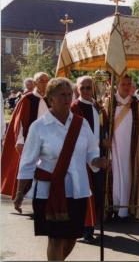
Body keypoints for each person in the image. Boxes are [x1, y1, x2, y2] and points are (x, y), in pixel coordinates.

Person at [12, 77, 109, 261]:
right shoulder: (39, 127)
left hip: (77, 190)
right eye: (61, 95)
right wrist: (19, 192)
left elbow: (91, 153)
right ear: (50, 99)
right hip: (49, 193)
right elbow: (27, 163)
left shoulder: (81, 124)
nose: (67, 98)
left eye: (69, 94)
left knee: (72, 237)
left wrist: (98, 161)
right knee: (55, 240)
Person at [70, 76, 108, 243]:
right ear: (77, 89)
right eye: (83, 87)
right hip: (82, 157)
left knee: (97, 191)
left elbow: (104, 127)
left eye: (88, 87)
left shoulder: (97, 106)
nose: (86, 90)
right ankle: (86, 229)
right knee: (85, 194)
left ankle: (91, 226)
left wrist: (106, 138)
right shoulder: (74, 107)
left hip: (98, 155)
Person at [1, 72, 50, 199]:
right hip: (30, 140)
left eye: (46, 80)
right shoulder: (27, 99)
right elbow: (20, 122)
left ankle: (40, 197)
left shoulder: (50, 99)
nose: (44, 83)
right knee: (27, 168)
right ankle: (22, 196)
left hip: (48, 140)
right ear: (35, 83)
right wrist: (20, 141)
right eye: (41, 80)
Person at [108, 75, 139, 221]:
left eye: (128, 84)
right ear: (117, 85)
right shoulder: (109, 102)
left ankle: (125, 210)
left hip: (131, 147)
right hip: (113, 145)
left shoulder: (135, 103)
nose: (126, 87)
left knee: (127, 174)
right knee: (114, 174)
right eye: (123, 84)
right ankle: (113, 207)